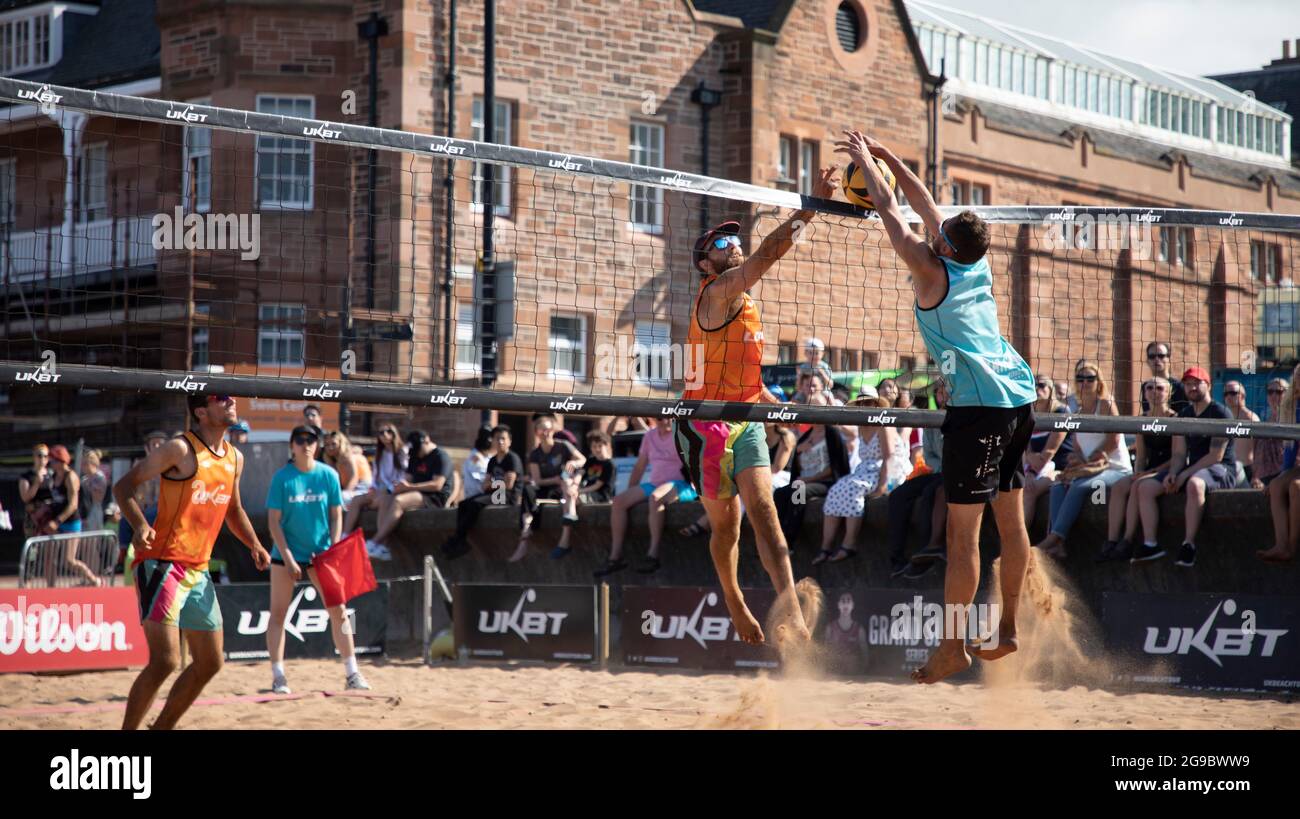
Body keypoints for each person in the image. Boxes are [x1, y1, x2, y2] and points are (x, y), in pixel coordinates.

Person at [836, 129, 1037, 683]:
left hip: (981, 409)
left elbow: (890, 208)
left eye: (940, 231)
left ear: (945, 244)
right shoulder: (975, 262)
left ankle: (953, 647)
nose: (934, 227)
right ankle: (1010, 626)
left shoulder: (930, 270)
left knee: (962, 537)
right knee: (1011, 520)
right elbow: (922, 203)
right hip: (1019, 399)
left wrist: (865, 163)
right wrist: (886, 154)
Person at [672, 185, 848, 645]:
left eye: (735, 241)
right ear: (705, 265)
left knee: (765, 511)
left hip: (743, 416)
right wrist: (808, 210)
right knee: (727, 526)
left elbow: (750, 383)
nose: (734, 245)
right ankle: (732, 598)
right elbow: (769, 252)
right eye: (723, 244)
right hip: (702, 423)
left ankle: (792, 614)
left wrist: (782, 408)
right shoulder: (717, 291)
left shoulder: (746, 306)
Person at [112, 393, 271, 730]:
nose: (230, 401)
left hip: (198, 568)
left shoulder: (234, 458)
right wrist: (140, 524)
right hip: (162, 562)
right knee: (165, 661)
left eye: (231, 397)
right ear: (201, 411)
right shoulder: (179, 449)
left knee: (211, 663)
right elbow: (124, 486)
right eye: (221, 398)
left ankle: (161, 728)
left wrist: (254, 544)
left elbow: (233, 509)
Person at [265, 425, 369, 693]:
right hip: (287, 555)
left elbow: (336, 514)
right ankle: (278, 677)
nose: (306, 444)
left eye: (311, 440)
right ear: (292, 446)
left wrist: (332, 550)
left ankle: (352, 672)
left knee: (340, 612)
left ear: (317, 444)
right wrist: (287, 557)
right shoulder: (282, 478)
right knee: (278, 614)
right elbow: (273, 523)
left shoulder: (328, 475)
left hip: (321, 554)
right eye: (300, 440)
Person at [1132, 367, 1236, 567]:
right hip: (1193, 467)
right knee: (1145, 487)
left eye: (1197, 383)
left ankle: (1188, 545)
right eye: (1188, 384)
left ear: (1209, 385)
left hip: (1220, 468)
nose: (1192, 387)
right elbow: (1179, 454)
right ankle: (1151, 544)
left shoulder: (1220, 412)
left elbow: (1216, 456)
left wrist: (1184, 474)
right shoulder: (1185, 414)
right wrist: (1172, 473)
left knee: (1195, 484)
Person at [1034, 362, 1132, 559]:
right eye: (1080, 378)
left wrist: (1088, 460)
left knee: (1078, 486)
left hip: (1116, 469)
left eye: (1090, 378)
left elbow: (1114, 440)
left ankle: (1053, 538)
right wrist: (1075, 458)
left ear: (1099, 381)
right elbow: (1078, 448)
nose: (1085, 382)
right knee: (1058, 485)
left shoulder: (1105, 404)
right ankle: (1058, 545)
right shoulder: (1077, 411)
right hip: (1090, 468)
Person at [595, 417, 698, 576]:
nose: (666, 421)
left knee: (656, 498)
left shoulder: (682, 434)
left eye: (670, 418)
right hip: (655, 483)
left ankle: (653, 554)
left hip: (680, 484)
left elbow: (695, 462)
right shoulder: (649, 436)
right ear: (654, 419)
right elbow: (640, 465)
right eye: (661, 418)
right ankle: (615, 557)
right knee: (619, 501)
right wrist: (630, 492)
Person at [815, 397, 910, 564]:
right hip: (866, 470)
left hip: (889, 470)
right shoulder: (860, 425)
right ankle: (825, 547)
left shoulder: (883, 424)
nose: (864, 406)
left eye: (868, 403)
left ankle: (849, 544)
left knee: (853, 488)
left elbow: (889, 458)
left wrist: (881, 487)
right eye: (861, 403)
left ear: (876, 405)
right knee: (836, 489)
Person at [1098, 377, 1177, 562]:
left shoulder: (1176, 418)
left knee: (1137, 486)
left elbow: (1178, 456)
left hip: (1168, 469)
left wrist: (1148, 473)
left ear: (1169, 393)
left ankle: (1128, 540)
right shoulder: (1142, 419)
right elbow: (1141, 456)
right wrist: (1137, 472)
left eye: (1159, 388)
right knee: (1120, 486)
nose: (1154, 391)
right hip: (1148, 471)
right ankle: (1111, 541)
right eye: (1149, 388)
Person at [887, 380, 949, 577]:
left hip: (956, 474)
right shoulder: (933, 419)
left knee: (931, 493)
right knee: (898, 495)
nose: (942, 395)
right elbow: (929, 454)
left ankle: (929, 551)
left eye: (946, 391)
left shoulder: (965, 417)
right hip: (938, 470)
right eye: (939, 392)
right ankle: (897, 560)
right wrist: (939, 468)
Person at [773, 392, 851, 545]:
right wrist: (800, 451)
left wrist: (809, 479)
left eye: (817, 406)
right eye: (811, 406)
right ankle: (777, 534)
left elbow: (834, 467)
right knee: (781, 493)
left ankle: (790, 538)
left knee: (799, 491)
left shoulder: (832, 433)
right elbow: (799, 468)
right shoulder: (804, 437)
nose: (814, 410)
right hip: (803, 480)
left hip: (826, 482)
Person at [366, 430, 452, 561]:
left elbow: (437, 485)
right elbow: (408, 477)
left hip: (434, 497)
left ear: (427, 440)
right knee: (386, 500)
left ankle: (376, 540)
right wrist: (396, 487)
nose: (417, 453)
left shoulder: (441, 456)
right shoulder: (415, 456)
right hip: (415, 492)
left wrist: (409, 487)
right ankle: (383, 546)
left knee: (399, 501)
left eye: (418, 449)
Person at [511, 414, 585, 562]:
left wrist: (574, 464)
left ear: (553, 430)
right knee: (528, 490)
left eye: (548, 429)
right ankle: (526, 527)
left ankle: (567, 518)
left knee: (566, 484)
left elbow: (582, 459)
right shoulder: (535, 454)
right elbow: (538, 480)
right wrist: (554, 479)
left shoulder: (563, 445)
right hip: (548, 486)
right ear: (537, 432)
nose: (546, 433)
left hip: (563, 486)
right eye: (542, 430)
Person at [442, 426, 523, 559]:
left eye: (503, 439)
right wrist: (498, 482)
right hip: (496, 493)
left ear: (509, 441)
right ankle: (459, 538)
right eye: (497, 439)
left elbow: (509, 485)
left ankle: (460, 539)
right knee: (463, 504)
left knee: (475, 504)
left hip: (507, 496)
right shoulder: (492, 460)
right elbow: (485, 486)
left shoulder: (512, 458)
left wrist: (494, 483)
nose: (500, 442)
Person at [551, 430, 616, 559]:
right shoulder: (590, 461)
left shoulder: (609, 464)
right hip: (582, 493)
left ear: (606, 445)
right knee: (567, 485)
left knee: (569, 496)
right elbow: (580, 474)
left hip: (599, 495)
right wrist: (574, 485)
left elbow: (598, 485)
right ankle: (571, 514)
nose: (596, 449)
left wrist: (578, 491)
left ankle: (565, 540)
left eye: (599, 446)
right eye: (593, 447)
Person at [44, 445, 103, 587]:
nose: (50, 463)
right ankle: (50, 588)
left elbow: (73, 505)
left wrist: (57, 521)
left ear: (60, 460)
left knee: (68, 560)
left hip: (70, 522)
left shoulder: (70, 477)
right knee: (49, 556)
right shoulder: (53, 477)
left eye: (53, 460)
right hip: (56, 520)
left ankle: (94, 580)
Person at [1259, 367, 1300, 563]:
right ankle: (1280, 545)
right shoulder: (1290, 405)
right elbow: (1290, 448)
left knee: (1296, 487)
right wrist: (1282, 475)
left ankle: (1292, 547)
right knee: (1276, 485)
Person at [1021, 377, 1072, 528]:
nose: (1037, 388)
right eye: (1034, 385)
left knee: (1030, 491)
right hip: (1034, 468)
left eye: (1042, 385)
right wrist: (1029, 473)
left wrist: (1032, 464)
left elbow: (1048, 453)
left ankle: (1017, 545)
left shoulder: (1062, 411)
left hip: (1061, 467)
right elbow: (1027, 451)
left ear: (1051, 390)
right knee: (1011, 490)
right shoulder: (1028, 413)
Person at [342, 422, 406, 536]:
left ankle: (380, 540)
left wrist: (388, 489)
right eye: (381, 433)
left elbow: (404, 476)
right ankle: (345, 536)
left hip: (394, 491)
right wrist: (373, 489)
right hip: (379, 490)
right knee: (356, 500)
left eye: (388, 431)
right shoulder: (380, 454)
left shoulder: (402, 452)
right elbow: (376, 477)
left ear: (395, 434)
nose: (385, 435)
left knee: (381, 501)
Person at [1222, 380, 1260, 486]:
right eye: (1226, 394)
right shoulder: (1225, 418)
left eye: (1233, 393)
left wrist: (1256, 475)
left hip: (1249, 470)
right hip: (1230, 468)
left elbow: (1259, 450)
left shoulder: (1250, 418)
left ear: (1242, 396)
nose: (1229, 396)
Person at [322, 431, 373, 508]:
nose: (330, 447)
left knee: (340, 498)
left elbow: (354, 478)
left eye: (333, 444)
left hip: (363, 488)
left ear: (340, 443)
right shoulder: (333, 460)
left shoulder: (348, 456)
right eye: (327, 445)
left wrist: (344, 493)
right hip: (353, 491)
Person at [822, 591, 869, 675]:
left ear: (852, 605)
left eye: (848, 601)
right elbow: (825, 652)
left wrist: (863, 670)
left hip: (852, 671)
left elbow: (865, 654)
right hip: (835, 670)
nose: (845, 604)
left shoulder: (859, 629)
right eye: (843, 601)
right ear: (838, 605)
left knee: (851, 659)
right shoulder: (830, 628)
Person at [18, 443, 55, 538]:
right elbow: (25, 498)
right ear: (34, 457)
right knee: (34, 548)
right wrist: (36, 483)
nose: (42, 459)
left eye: (45, 456)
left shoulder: (52, 474)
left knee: (49, 546)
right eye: (39, 455)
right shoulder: (26, 476)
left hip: (50, 515)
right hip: (34, 516)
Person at [1142, 341, 1188, 413]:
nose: (1156, 359)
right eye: (1152, 356)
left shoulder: (1180, 387)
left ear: (1169, 359)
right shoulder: (1146, 386)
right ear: (1147, 361)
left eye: (1161, 356)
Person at [79, 448, 110, 532]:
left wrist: (88, 486)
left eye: (85, 464)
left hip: (94, 510)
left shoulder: (99, 477)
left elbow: (97, 497)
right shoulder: (83, 479)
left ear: (93, 464)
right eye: (82, 463)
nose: (82, 466)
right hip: (83, 511)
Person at [461, 425, 496, 499]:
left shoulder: (487, 457)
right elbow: (483, 482)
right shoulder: (476, 458)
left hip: (483, 497)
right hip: (476, 498)